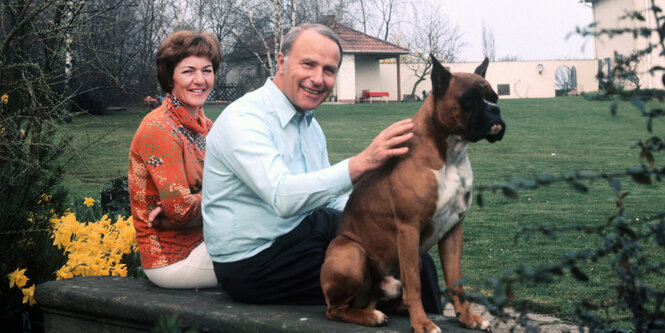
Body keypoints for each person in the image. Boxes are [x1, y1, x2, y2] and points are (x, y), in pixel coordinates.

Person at [202, 23, 442, 312]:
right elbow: (282, 197)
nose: (318, 79)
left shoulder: (310, 125)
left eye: (329, 70)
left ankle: (430, 321)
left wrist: (387, 218)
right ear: (281, 62)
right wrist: (364, 162)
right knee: (378, 283)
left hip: (304, 232)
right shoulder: (244, 119)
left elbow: (330, 198)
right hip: (254, 262)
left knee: (409, 256)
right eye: (308, 65)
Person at [128, 30, 221, 289]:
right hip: (175, 260)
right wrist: (228, 194)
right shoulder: (160, 129)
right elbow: (181, 211)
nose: (200, 80)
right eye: (189, 71)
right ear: (170, 77)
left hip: (208, 242)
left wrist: (201, 197)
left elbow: (239, 182)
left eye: (207, 70)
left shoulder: (207, 127)